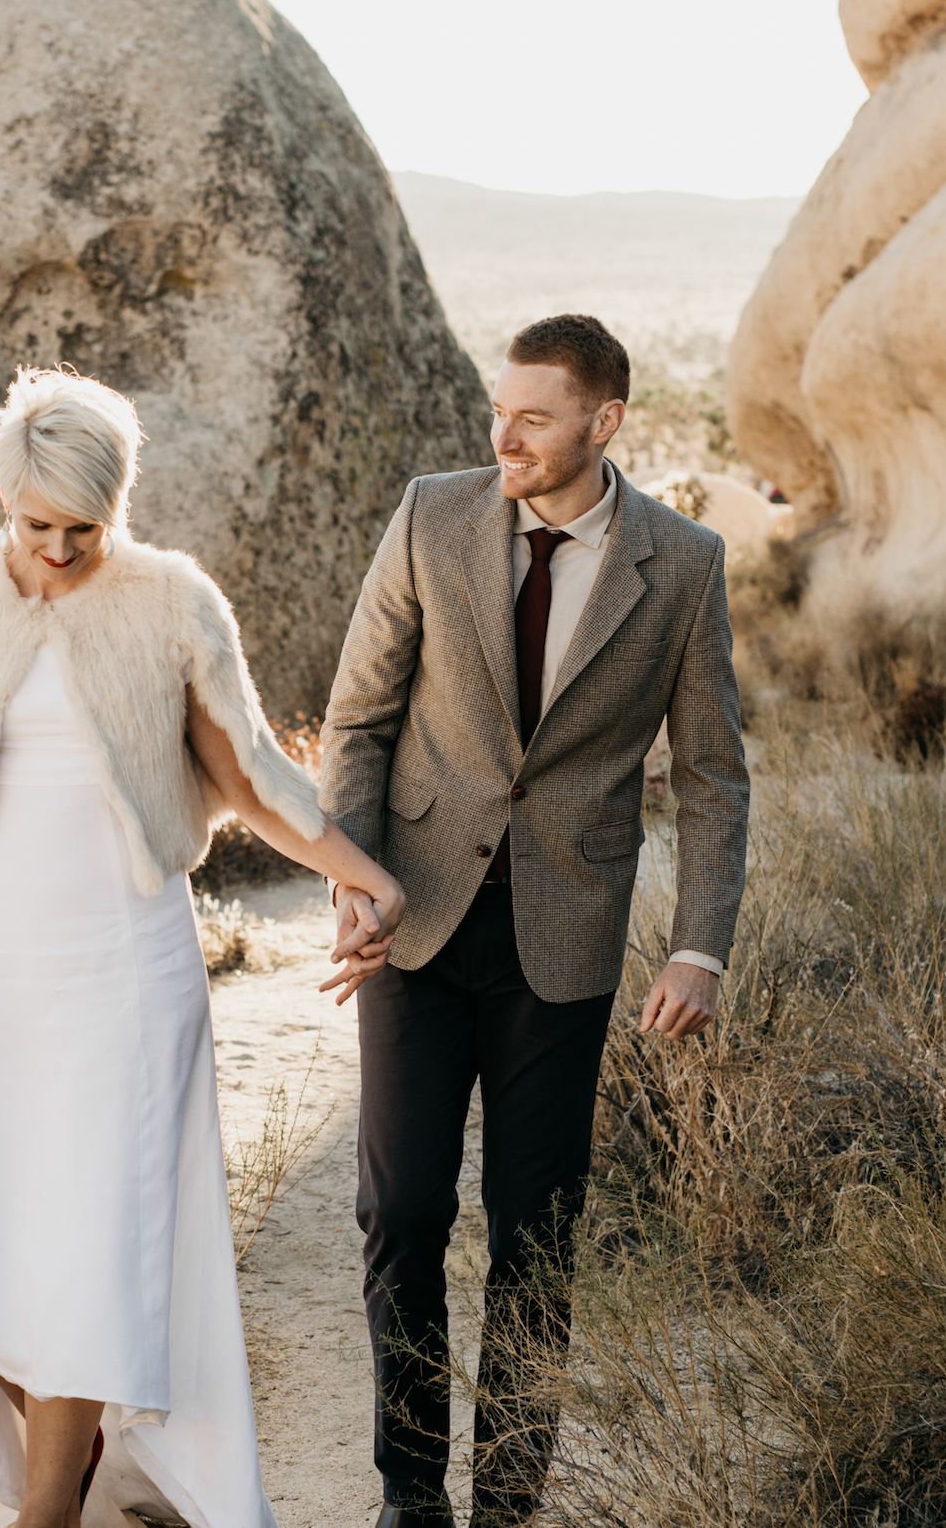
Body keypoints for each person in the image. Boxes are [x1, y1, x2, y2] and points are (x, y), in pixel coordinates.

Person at [0, 366, 407, 1528]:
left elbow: (246, 772)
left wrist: (362, 872)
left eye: (81, 528)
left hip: (126, 974)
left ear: (119, 505)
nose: (55, 549)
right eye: (34, 524)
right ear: (3, 497)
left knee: (93, 1247)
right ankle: (82, 1460)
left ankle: (48, 1513)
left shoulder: (168, 599)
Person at [318, 314, 750, 1528]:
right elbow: (358, 718)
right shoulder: (430, 512)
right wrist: (350, 871)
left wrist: (697, 945)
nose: (500, 435)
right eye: (497, 410)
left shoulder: (683, 562)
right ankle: (411, 1492)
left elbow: (713, 772)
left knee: (537, 1231)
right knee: (399, 1209)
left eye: (532, 416)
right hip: (413, 912)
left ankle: (509, 1498)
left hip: (564, 939)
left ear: (603, 423)